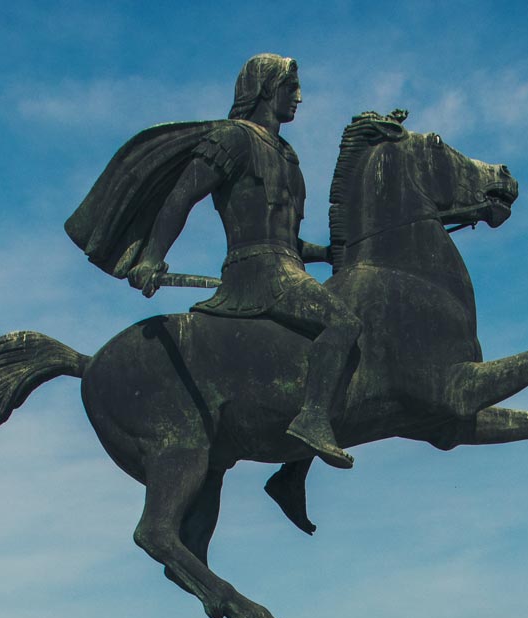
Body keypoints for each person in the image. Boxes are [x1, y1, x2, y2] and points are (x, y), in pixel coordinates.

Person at [70, 54, 362, 472]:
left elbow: (285, 237)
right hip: (258, 273)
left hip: (286, 267)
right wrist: (153, 256)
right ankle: (312, 420)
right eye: (290, 87)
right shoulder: (233, 139)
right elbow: (180, 197)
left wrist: (324, 254)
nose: (298, 97)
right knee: (344, 323)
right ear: (265, 88)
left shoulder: (287, 155)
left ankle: (291, 474)